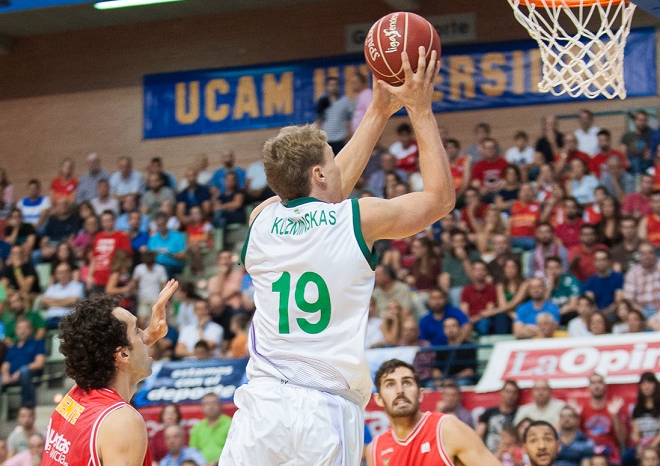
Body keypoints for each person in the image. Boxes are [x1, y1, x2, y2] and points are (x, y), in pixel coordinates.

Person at [220, 50, 453, 465]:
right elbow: (439, 199)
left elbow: (324, 188)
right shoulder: (357, 219)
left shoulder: (260, 219)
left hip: (262, 405)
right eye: (331, 155)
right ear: (319, 174)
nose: (338, 162)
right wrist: (419, 109)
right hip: (324, 410)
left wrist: (378, 111)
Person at [42, 280, 177, 466]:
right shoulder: (123, 422)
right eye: (138, 331)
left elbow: (107, 352)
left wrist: (151, 334)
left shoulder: (75, 396)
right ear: (122, 353)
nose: (144, 337)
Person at [366, 359, 500, 466]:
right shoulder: (375, 449)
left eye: (407, 383)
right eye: (390, 384)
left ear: (420, 394)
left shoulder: (447, 429)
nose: (400, 390)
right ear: (378, 399)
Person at [579, 373, 626, 465]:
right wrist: (576, 417)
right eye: (593, 383)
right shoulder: (582, 408)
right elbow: (578, 438)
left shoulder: (613, 407)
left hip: (609, 450)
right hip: (589, 450)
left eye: (599, 382)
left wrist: (615, 416)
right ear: (589, 387)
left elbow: (622, 438)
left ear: (605, 386)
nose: (596, 386)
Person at [1, 319, 45, 408]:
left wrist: (20, 371)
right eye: (20, 328)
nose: (22, 331)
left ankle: (27, 405)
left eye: (26, 328)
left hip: (30, 375)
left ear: (31, 330)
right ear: (16, 331)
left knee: (24, 372)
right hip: (11, 377)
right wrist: (5, 375)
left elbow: (39, 363)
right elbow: (5, 365)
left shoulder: (37, 344)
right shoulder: (12, 348)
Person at [478, 380, 522, 453]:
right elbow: (478, 435)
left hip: (510, 456)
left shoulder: (520, 414)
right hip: (488, 454)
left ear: (517, 395)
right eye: (507, 391)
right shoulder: (489, 412)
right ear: (502, 392)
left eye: (513, 392)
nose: (510, 395)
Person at [39, 262, 84, 329]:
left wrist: (52, 303)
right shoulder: (52, 287)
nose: (62, 275)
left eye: (65, 272)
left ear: (70, 273)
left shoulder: (77, 286)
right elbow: (43, 301)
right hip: (50, 319)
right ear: (56, 275)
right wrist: (65, 301)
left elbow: (73, 301)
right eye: (59, 273)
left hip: (68, 319)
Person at [189, 393, 231, 464]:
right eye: (207, 404)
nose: (211, 406)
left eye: (214, 403)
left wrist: (216, 462)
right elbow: (193, 452)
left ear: (220, 405)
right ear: (202, 407)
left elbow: (235, 449)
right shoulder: (197, 428)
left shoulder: (230, 424)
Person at [623, 241, 660, 319]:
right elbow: (629, 298)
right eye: (643, 254)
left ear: (655, 254)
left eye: (650, 253)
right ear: (639, 256)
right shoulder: (633, 272)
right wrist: (640, 313)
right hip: (641, 312)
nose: (647, 256)